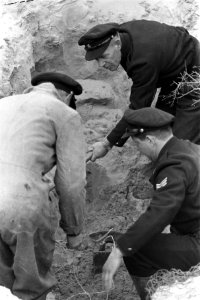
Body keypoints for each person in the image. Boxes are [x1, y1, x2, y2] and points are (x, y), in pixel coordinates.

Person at [0, 72, 86, 300]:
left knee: (4, 288)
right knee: (32, 288)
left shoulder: (3, 104)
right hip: (19, 207)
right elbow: (71, 183)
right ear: (67, 96)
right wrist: (73, 230)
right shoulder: (65, 113)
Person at [101, 107, 200, 299]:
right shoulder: (190, 149)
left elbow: (161, 212)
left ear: (149, 140)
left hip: (197, 240)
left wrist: (121, 248)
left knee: (137, 252)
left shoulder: (174, 164)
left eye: (138, 145)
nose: (140, 151)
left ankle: (153, 295)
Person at [78, 20, 200, 162]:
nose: (101, 64)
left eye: (103, 57)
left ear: (117, 43)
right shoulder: (121, 34)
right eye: (97, 59)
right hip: (173, 73)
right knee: (162, 124)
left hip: (194, 75)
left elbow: (137, 109)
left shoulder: (143, 60)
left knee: (180, 146)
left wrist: (107, 144)